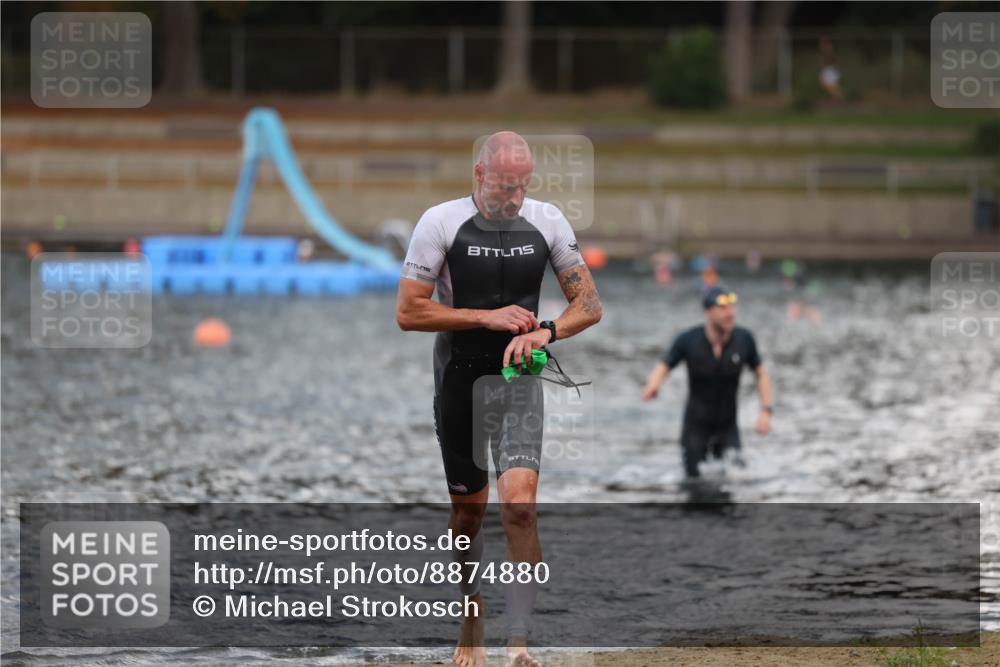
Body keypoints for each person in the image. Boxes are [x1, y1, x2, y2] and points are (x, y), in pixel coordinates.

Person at [396, 131, 602, 667]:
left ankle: (518, 645)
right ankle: (471, 612)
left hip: (518, 382)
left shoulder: (548, 221)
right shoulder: (439, 223)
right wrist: (485, 317)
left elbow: (590, 303)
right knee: (468, 514)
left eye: (522, 187)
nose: (514, 198)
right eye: (505, 187)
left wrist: (546, 332)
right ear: (480, 175)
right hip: (459, 381)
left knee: (520, 509)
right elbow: (409, 312)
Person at [641, 286, 772, 479]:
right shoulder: (688, 340)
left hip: (728, 427)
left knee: (738, 479)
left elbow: (761, 374)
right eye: (723, 308)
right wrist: (653, 385)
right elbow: (664, 366)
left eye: (732, 307)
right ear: (708, 312)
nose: (730, 313)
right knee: (694, 484)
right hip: (696, 426)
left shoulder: (744, 340)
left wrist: (766, 411)